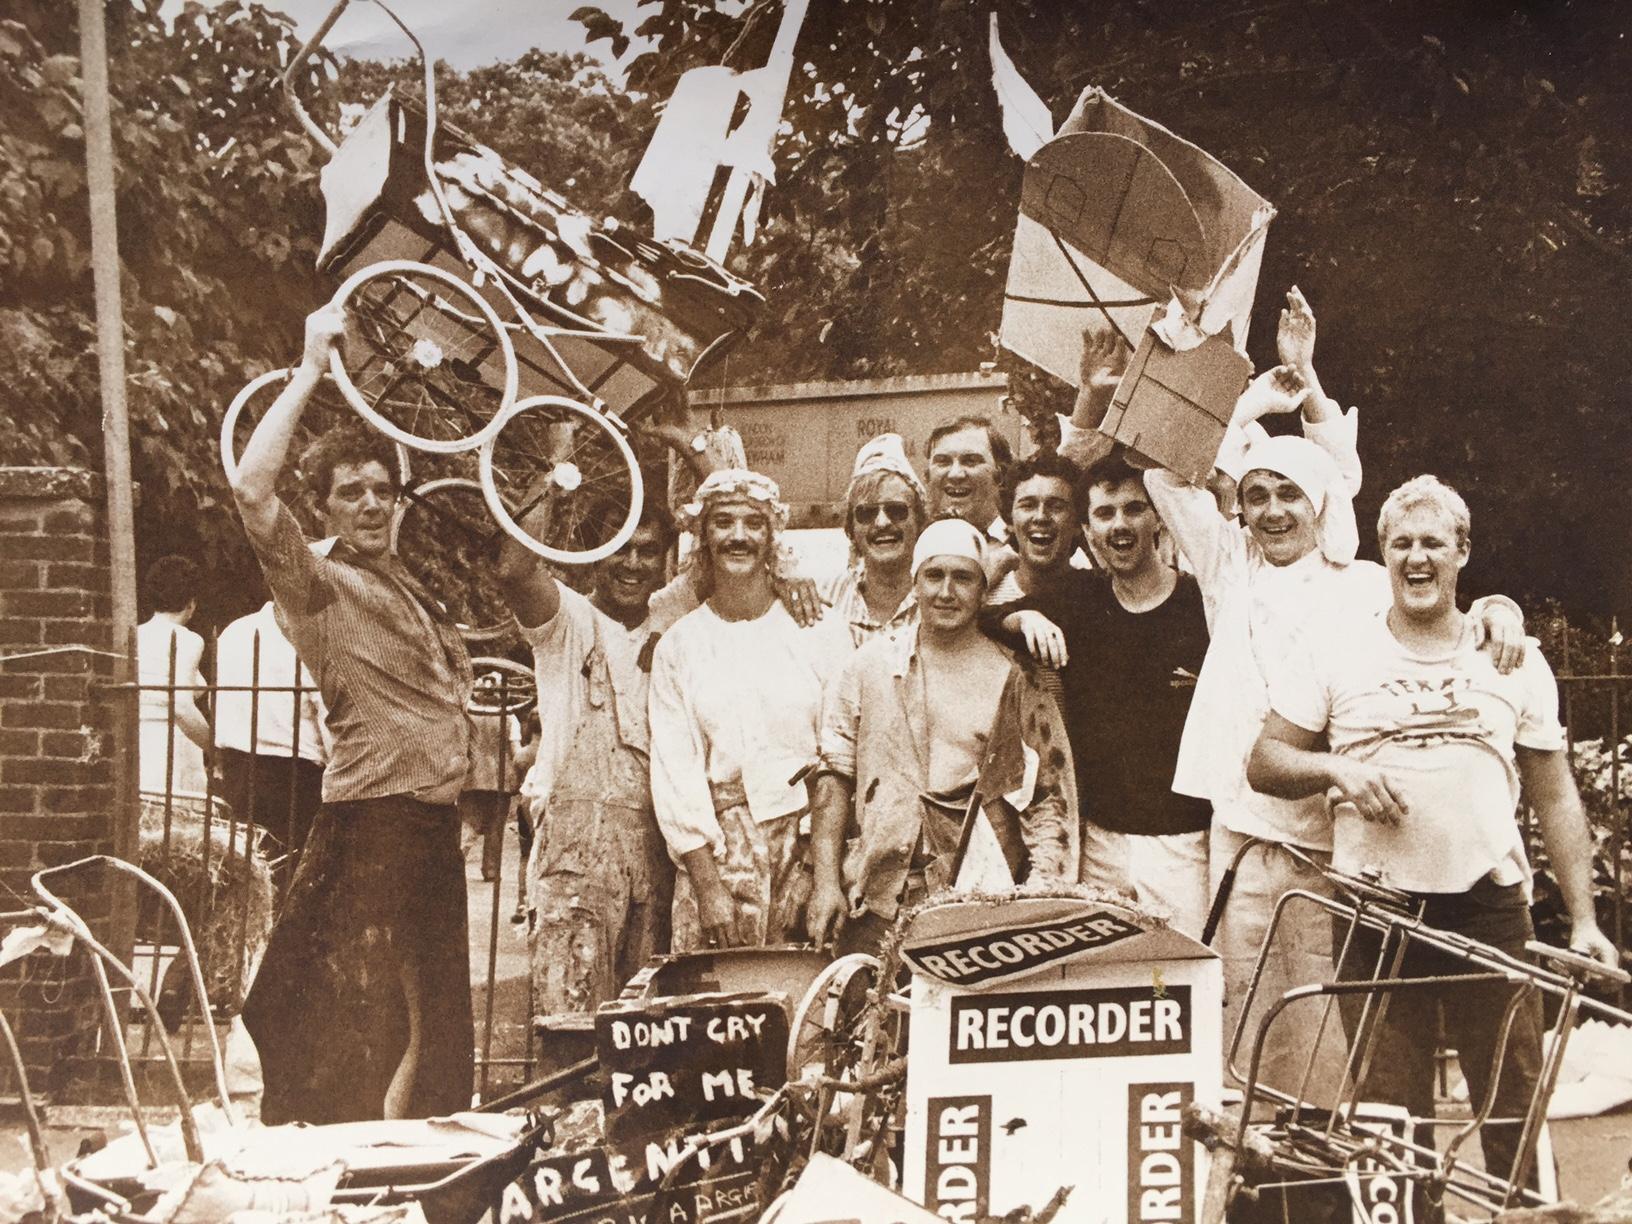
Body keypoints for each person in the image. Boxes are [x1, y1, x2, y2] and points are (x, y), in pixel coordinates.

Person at [1067, 288, 1524, 1102]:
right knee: (1245, 1005)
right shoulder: (1227, 567)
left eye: (1291, 496)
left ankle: (1326, 1179)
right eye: (1258, 495)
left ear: (1320, 508)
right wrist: (1247, 398)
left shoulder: (1365, 584)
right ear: (1240, 505)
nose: (1274, 509)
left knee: (1334, 1022)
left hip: (1340, 841)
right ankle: (1258, 1181)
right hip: (1244, 829)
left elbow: (1451, 611)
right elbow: (1172, 470)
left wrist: (1499, 606)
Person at [1249, 475, 1617, 1181]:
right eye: (1401, 544)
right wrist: (1338, 772)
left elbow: (1555, 794)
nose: (1416, 559)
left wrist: (1583, 919)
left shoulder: (1514, 657)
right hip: (1373, 912)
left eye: (1433, 544)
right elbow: (1265, 760)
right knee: (1391, 1125)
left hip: (1488, 909)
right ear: (1383, 554)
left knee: (1514, 1110)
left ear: (1462, 553)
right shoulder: (1335, 649)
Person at [230, 304, 475, 1125]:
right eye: (350, 493)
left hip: (428, 833)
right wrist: (308, 370)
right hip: (370, 828)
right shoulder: (320, 588)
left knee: (432, 1034)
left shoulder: (413, 590)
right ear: (326, 509)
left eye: (383, 490)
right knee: (352, 1036)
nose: (371, 504)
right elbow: (250, 489)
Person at [808, 517, 1078, 955]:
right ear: (915, 583)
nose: (946, 592)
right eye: (934, 575)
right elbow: (833, 777)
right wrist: (825, 885)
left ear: (981, 588)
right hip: (874, 900)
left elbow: (1049, 800)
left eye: (963, 578)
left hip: (977, 907)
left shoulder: (1015, 679)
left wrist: (1040, 899)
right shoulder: (869, 666)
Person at [991, 451, 1213, 936]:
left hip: (1186, 847)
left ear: (1158, 517)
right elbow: (984, 614)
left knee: (1184, 988)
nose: (1120, 526)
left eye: (1134, 509)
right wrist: (1020, 616)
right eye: (1104, 514)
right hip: (1098, 848)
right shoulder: (1079, 601)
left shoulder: (1200, 605)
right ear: (1087, 531)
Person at [648, 469, 850, 951]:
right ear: (703, 537)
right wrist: (707, 887)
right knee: (715, 1008)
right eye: (723, 522)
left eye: (753, 523)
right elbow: (676, 772)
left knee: (805, 1005)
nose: (738, 536)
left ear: (771, 536)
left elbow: (838, 759)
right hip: (718, 854)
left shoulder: (820, 630)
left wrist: (824, 878)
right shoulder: (680, 645)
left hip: (806, 847)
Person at [498, 496, 678, 1018]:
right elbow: (513, 568)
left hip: (655, 853)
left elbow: (731, 548)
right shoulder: (565, 618)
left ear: (666, 560)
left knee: (644, 1026)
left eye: (648, 551)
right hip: (574, 857)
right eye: (620, 549)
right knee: (568, 1017)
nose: (633, 564)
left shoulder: (672, 616)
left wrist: (705, 460)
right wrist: (555, 472)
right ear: (596, 553)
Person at [214, 599, 328, 879]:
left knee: (247, 870)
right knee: (291, 871)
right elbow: (329, 718)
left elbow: (219, 699)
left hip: (238, 767)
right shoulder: (311, 638)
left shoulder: (234, 631)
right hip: (294, 776)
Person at [820, 433, 928, 648]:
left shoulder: (937, 596)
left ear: (919, 521)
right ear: (851, 528)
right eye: (866, 513)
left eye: (896, 510)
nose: (881, 523)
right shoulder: (825, 597)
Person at [136, 555, 212, 799]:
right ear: (191, 603)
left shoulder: (135, 635)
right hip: (172, 744)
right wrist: (215, 748)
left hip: (138, 739)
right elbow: (180, 705)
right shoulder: (187, 639)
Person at [925, 415, 1010, 542]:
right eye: (943, 461)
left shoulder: (1021, 548)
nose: (955, 474)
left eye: (971, 461)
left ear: (1001, 475)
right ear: (927, 476)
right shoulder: (914, 548)